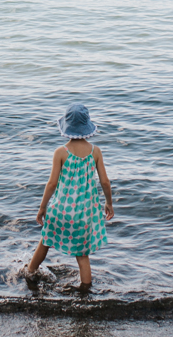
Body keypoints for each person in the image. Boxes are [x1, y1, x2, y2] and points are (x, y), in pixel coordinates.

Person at [24, 103, 114, 288]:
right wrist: (109, 203)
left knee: (45, 242)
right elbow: (105, 182)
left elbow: (52, 184)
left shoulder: (60, 152)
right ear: (87, 126)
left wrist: (42, 208)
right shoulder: (95, 152)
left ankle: (30, 272)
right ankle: (85, 292)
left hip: (60, 210)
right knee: (82, 256)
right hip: (83, 215)